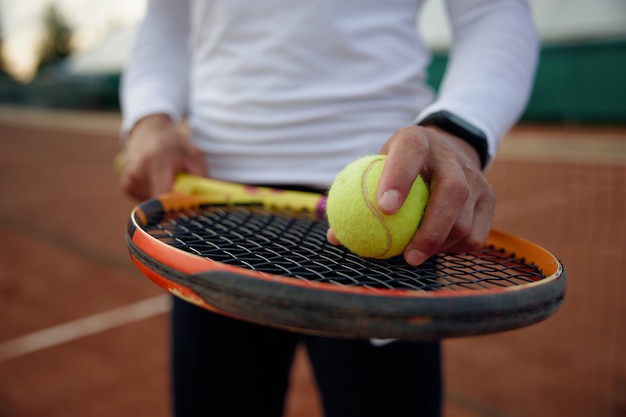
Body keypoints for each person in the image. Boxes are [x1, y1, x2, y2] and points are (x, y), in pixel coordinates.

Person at [118, 0, 539, 416]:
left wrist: (457, 131)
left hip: (392, 213)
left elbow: (493, 11)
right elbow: (166, 20)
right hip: (214, 217)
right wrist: (149, 115)